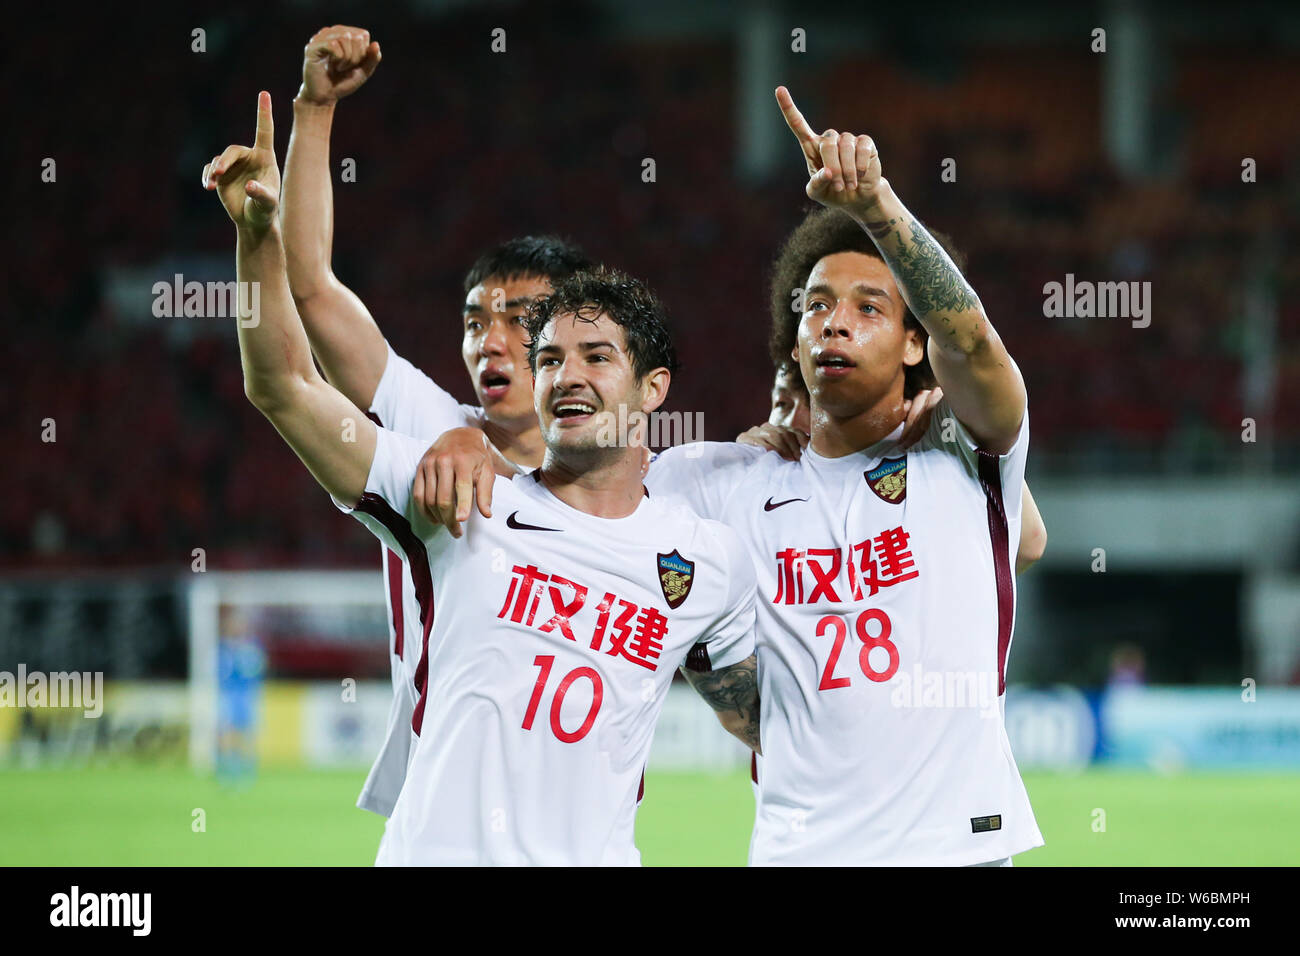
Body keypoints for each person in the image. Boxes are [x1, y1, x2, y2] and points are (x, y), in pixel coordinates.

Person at [415, 87, 1044, 865]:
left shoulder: (960, 454)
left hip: (959, 851)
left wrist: (878, 208)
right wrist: (471, 439)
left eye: (869, 307)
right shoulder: (721, 482)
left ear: (918, 345)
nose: (835, 322)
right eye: (815, 306)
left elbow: (975, 345)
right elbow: (572, 486)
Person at [202, 94, 760, 864]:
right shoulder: (451, 484)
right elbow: (287, 378)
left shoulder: (701, 535)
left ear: (652, 388)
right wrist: (258, 236)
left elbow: (766, 710)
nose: (552, 368)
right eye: (550, 358)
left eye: (593, 355)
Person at [280, 25, 595, 818]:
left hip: (567, 820)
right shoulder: (428, 426)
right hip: (439, 814)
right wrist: (315, 109)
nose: (488, 339)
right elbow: (311, 288)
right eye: (473, 320)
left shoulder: (626, 479)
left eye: (518, 317)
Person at [750, 364, 1047, 574]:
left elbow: (1028, 543)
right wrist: (738, 475)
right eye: (782, 402)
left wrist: (964, 436)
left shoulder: (911, 463)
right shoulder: (754, 480)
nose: (793, 420)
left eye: (819, 405)